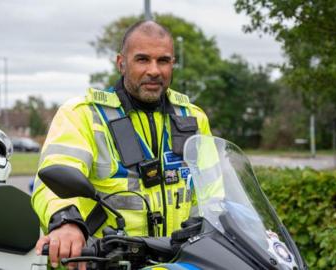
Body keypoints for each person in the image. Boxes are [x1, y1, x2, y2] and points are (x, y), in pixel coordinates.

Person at [32, 20, 212, 269]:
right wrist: (66, 222)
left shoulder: (193, 117)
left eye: (163, 60)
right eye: (142, 59)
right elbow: (52, 181)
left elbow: (215, 194)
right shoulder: (83, 114)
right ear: (121, 63)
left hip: (179, 261)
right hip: (104, 260)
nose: (154, 70)